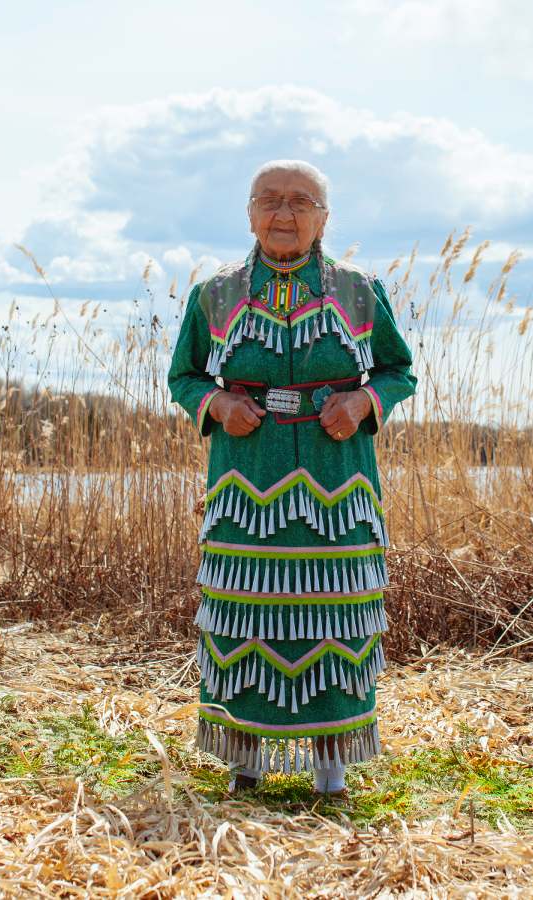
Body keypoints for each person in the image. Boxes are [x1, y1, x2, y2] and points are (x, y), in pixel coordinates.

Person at [168, 159, 417, 795]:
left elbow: (397, 371)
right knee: (242, 605)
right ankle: (243, 761)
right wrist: (221, 405)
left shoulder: (359, 290)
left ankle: (330, 769)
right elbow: (185, 376)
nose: (285, 214)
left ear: (324, 218)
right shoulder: (215, 294)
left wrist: (360, 404)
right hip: (246, 482)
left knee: (335, 610)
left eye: (301, 202)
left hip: (338, 483)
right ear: (249, 213)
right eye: (270, 201)